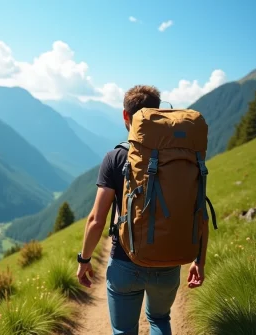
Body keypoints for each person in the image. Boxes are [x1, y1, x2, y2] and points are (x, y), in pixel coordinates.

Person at [76, 85, 209, 335]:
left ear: (125, 116)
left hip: (125, 261)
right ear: (158, 114)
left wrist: (84, 260)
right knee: (159, 320)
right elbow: (199, 212)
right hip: (169, 263)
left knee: (124, 330)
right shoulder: (185, 157)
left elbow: (96, 219)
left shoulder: (115, 158)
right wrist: (198, 261)